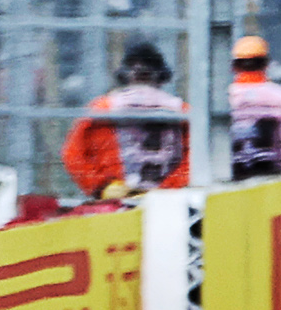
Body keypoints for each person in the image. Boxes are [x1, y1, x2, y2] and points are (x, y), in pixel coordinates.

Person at [61, 43, 194, 199]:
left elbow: (73, 155)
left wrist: (101, 186)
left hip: (118, 199)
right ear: (161, 75)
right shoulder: (183, 112)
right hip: (164, 203)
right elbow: (196, 157)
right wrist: (169, 188)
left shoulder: (100, 110)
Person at [228, 33, 281, 181]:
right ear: (266, 64)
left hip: (234, 180)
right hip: (280, 180)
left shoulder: (224, 101)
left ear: (234, 67)